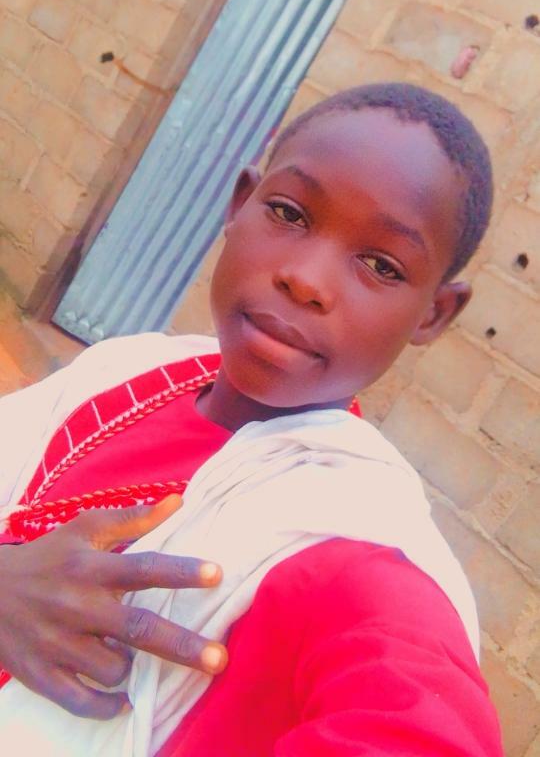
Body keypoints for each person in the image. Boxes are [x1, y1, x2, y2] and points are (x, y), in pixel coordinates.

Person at [0, 83, 503, 755]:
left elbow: (414, 719)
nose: (306, 279)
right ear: (240, 203)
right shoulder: (132, 369)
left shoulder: (348, 546)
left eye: (381, 265)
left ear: (433, 314)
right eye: (290, 213)